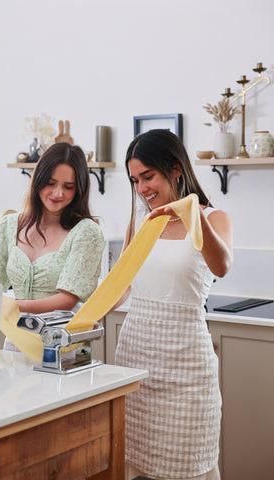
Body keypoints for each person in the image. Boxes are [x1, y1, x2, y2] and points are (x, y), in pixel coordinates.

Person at [115, 129, 233, 480]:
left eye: (148, 176)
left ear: (176, 169)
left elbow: (221, 266)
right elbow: (122, 284)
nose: (141, 189)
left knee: (188, 465)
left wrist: (191, 214)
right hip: (136, 361)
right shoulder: (140, 222)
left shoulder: (214, 219)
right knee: (134, 465)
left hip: (187, 372)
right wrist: (80, 317)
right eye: (135, 180)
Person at [0, 142, 105, 350]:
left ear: (79, 190)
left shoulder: (86, 232)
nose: (58, 193)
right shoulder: (10, 226)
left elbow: (67, 299)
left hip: (63, 347)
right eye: (51, 183)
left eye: (68, 186)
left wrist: (14, 307)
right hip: (15, 343)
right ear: (38, 181)